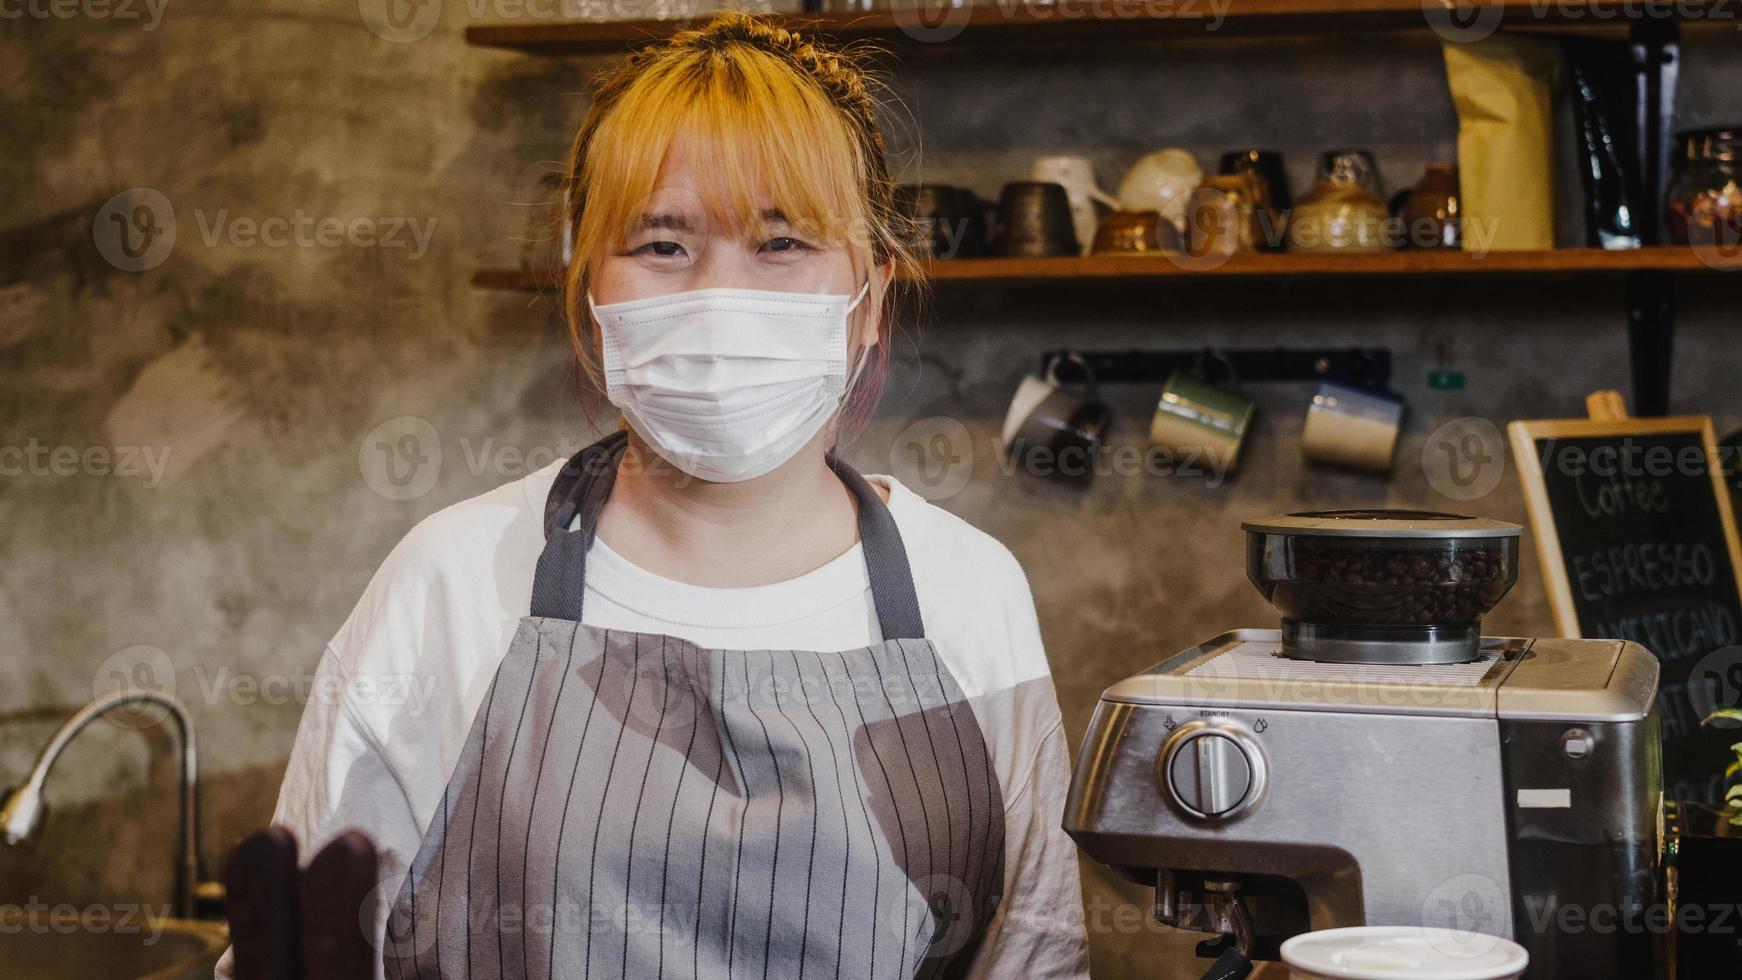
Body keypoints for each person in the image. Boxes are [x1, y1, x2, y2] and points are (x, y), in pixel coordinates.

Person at [219, 12, 1089, 979]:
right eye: (663, 246)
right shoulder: (450, 582)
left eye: (784, 242)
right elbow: (304, 949)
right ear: (590, 281)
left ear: (870, 296)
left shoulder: (971, 591)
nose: (719, 295)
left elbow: (1034, 957)